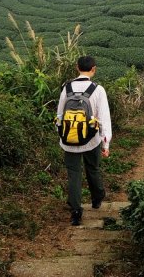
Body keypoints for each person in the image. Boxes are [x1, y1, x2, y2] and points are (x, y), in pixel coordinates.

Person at [56, 55, 113, 226]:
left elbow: (60, 116)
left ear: (77, 67)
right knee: (93, 169)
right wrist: (106, 143)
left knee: (73, 174)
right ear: (93, 69)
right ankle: (97, 198)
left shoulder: (66, 88)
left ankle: (75, 212)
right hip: (91, 140)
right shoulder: (98, 89)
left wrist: (65, 135)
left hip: (69, 141)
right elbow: (104, 118)